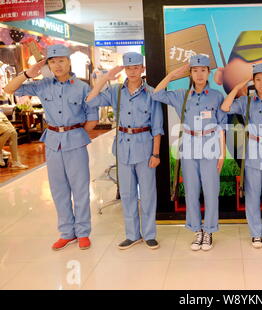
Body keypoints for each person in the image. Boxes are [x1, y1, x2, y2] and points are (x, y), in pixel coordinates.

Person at [4, 44, 99, 251]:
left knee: (80, 189)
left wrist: (75, 132)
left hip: (75, 140)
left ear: (69, 62)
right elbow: (9, 89)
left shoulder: (82, 87)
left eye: (61, 60)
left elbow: (92, 119)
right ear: (48, 64)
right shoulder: (42, 85)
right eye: (53, 61)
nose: (57, 65)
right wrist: (28, 73)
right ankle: (67, 233)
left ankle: (83, 232)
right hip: (53, 141)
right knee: (58, 190)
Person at [86, 52, 164, 250]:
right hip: (123, 147)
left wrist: (156, 154)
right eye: (128, 68)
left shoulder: (151, 93)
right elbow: (90, 100)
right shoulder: (115, 91)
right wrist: (105, 78)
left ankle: (149, 234)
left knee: (147, 193)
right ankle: (132, 234)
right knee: (127, 193)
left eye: (136, 67)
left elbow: (157, 126)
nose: (132, 71)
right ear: (124, 69)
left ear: (142, 69)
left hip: (145, 146)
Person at [153, 55, 226, 251]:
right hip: (189, 144)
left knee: (211, 190)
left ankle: (209, 230)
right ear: (190, 73)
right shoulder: (181, 95)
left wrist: (222, 153)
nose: (199, 74)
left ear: (208, 72)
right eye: (195, 70)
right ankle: (197, 230)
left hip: (211, 144)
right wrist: (172, 75)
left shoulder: (217, 96)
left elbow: (221, 126)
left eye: (203, 70)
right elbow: (156, 94)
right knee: (192, 190)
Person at [221, 63, 262, 249]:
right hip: (252, 151)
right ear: (253, 81)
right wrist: (237, 88)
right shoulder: (246, 102)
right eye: (258, 79)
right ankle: (255, 233)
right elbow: (226, 107)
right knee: (252, 195)